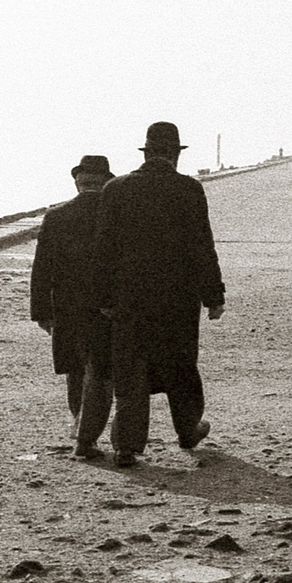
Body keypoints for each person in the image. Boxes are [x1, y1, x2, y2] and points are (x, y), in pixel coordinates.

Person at [87, 121, 225, 467]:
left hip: (129, 298)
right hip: (178, 298)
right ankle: (188, 430)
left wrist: (103, 297)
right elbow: (202, 246)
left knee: (131, 369)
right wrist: (214, 294)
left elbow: (103, 249)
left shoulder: (116, 189)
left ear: (147, 152)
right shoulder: (189, 190)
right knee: (181, 367)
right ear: (174, 155)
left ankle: (127, 446)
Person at [31, 155, 116, 455]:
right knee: (102, 372)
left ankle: (79, 422)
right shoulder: (115, 214)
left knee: (75, 370)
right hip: (106, 306)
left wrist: (41, 311)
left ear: (77, 183)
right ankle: (86, 436)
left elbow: (41, 269)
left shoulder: (56, 216)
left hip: (67, 306)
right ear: (107, 181)